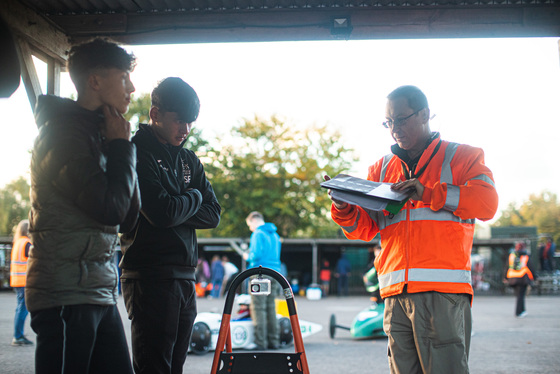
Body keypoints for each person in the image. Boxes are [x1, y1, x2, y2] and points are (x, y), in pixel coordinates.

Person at [326, 85, 498, 374]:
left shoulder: (462, 157)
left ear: (426, 115)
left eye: (401, 119)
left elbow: (488, 203)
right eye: (388, 122)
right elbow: (366, 229)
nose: (394, 129)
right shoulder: (379, 169)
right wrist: (343, 207)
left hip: (441, 292)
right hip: (394, 294)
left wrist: (428, 193)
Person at [26, 38, 140, 374]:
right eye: (123, 78)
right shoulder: (61, 136)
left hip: (98, 290)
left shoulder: (105, 133)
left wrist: (122, 144)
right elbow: (112, 209)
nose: (132, 88)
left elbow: (130, 217)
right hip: (64, 292)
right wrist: (121, 147)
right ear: (94, 81)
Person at [120, 76, 221, 374]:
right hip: (149, 275)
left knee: (175, 366)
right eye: (179, 121)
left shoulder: (189, 159)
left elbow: (213, 213)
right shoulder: (136, 152)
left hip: (186, 276)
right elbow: (161, 212)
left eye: (190, 123)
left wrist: (177, 203)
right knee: (154, 367)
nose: (185, 130)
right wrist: (193, 195)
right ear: (155, 114)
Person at [243, 211, 282, 350]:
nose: (250, 229)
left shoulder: (258, 234)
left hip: (260, 274)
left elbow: (256, 254)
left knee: (258, 307)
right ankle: (274, 341)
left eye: (249, 225)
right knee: (271, 306)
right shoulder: (275, 235)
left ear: (254, 220)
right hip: (275, 273)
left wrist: (247, 256)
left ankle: (261, 342)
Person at [10, 219, 33, 346]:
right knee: (23, 309)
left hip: (16, 280)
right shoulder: (27, 243)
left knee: (20, 308)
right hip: (24, 280)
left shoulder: (17, 242)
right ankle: (18, 336)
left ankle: (18, 334)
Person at [506, 241, 537, 318]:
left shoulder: (511, 256)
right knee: (521, 296)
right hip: (522, 279)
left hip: (512, 278)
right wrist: (535, 277)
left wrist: (505, 278)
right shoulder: (525, 256)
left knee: (518, 296)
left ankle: (522, 310)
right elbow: (531, 267)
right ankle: (519, 312)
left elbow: (506, 267)